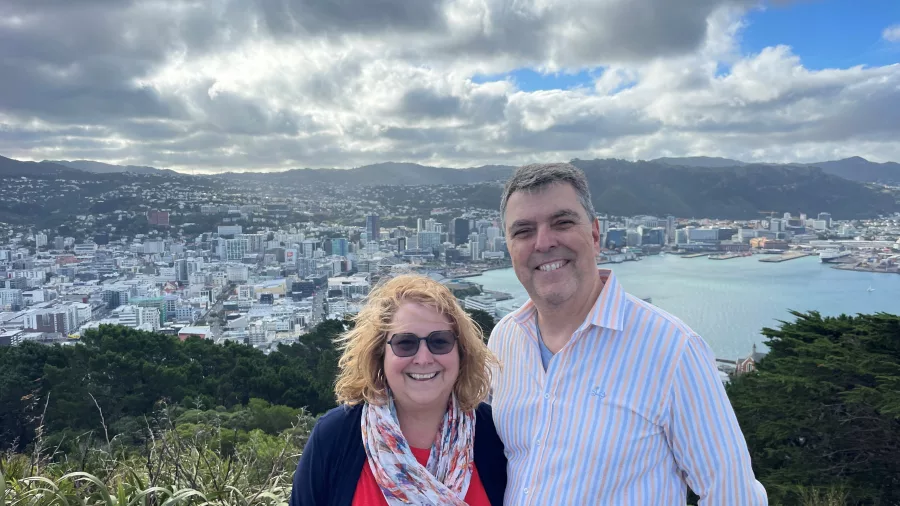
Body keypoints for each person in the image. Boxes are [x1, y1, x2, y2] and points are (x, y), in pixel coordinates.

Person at [487, 162, 768, 505]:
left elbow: (732, 495)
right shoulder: (504, 339)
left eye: (562, 222)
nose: (543, 242)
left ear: (594, 234)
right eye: (523, 231)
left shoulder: (673, 349)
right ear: (509, 246)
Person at [290, 274, 507, 506]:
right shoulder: (336, 437)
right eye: (405, 343)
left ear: (461, 352)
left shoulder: (493, 434)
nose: (423, 359)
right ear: (380, 355)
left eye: (440, 342)